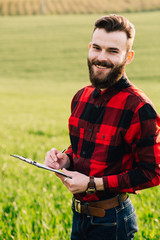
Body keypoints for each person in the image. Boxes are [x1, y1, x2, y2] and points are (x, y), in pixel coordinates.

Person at [45, 14, 160, 240]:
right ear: (89, 48)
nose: (101, 57)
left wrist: (91, 184)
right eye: (96, 48)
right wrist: (66, 159)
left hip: (113, 221)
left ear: (129, 57)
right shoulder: (81, 97)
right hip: (79, 217)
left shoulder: (139, 108)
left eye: (113, 51)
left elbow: (153, 172)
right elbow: (87, 149)